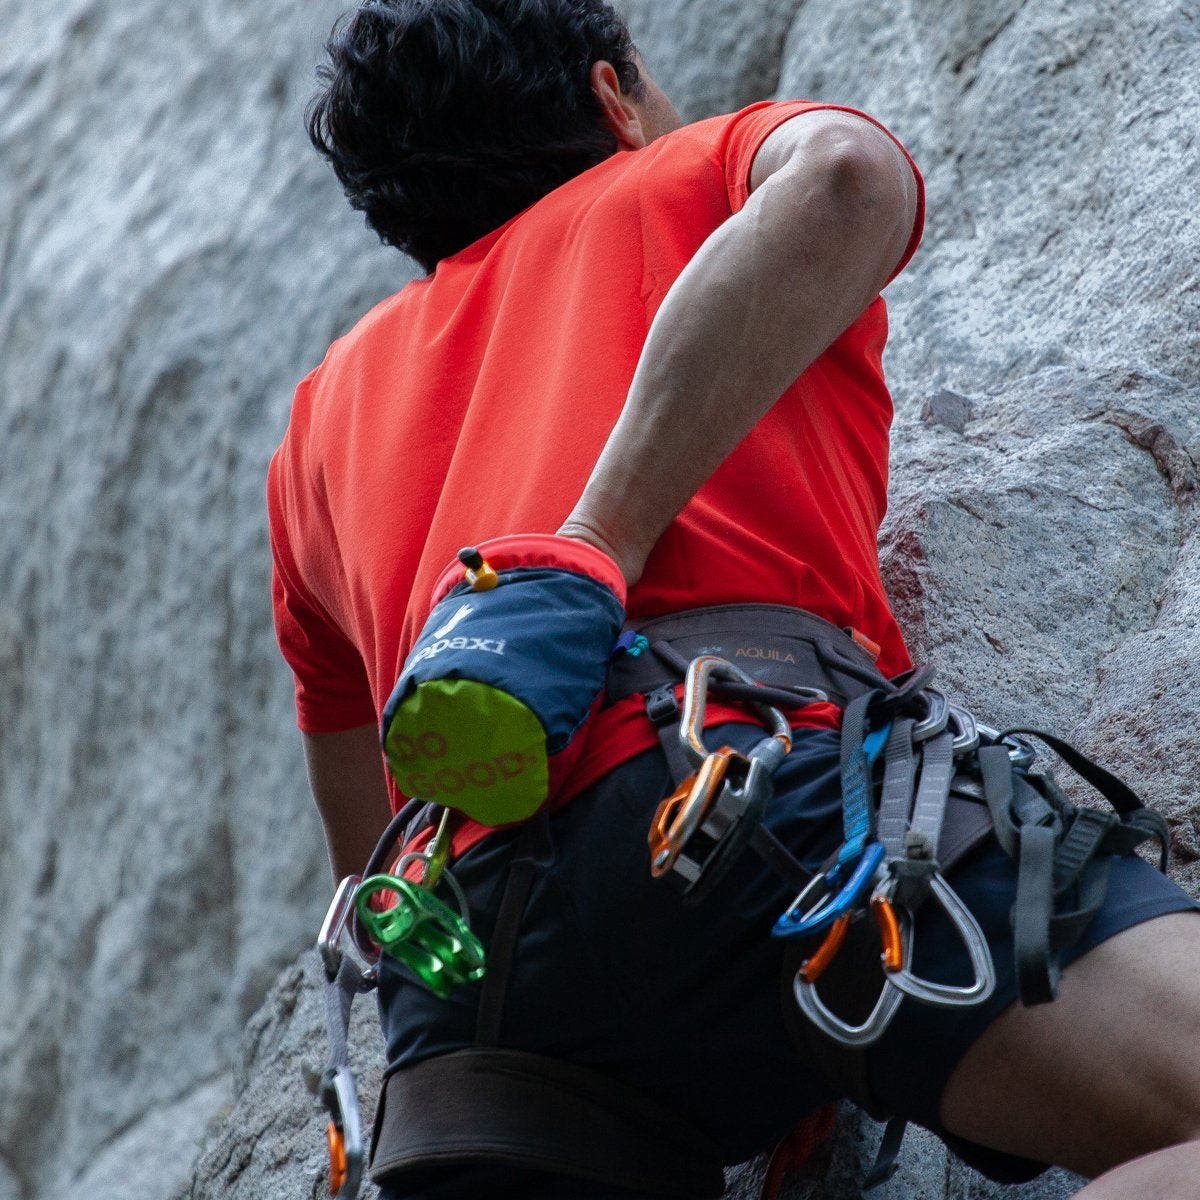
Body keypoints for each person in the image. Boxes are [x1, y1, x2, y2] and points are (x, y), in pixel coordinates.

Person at [268, 2, 1200, 1197]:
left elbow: (363, 823)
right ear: (613, 98)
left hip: (477, 1013)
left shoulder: (319, 423)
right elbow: (850, 175)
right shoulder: (682, 179)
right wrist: (599, 535)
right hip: (743, 795)